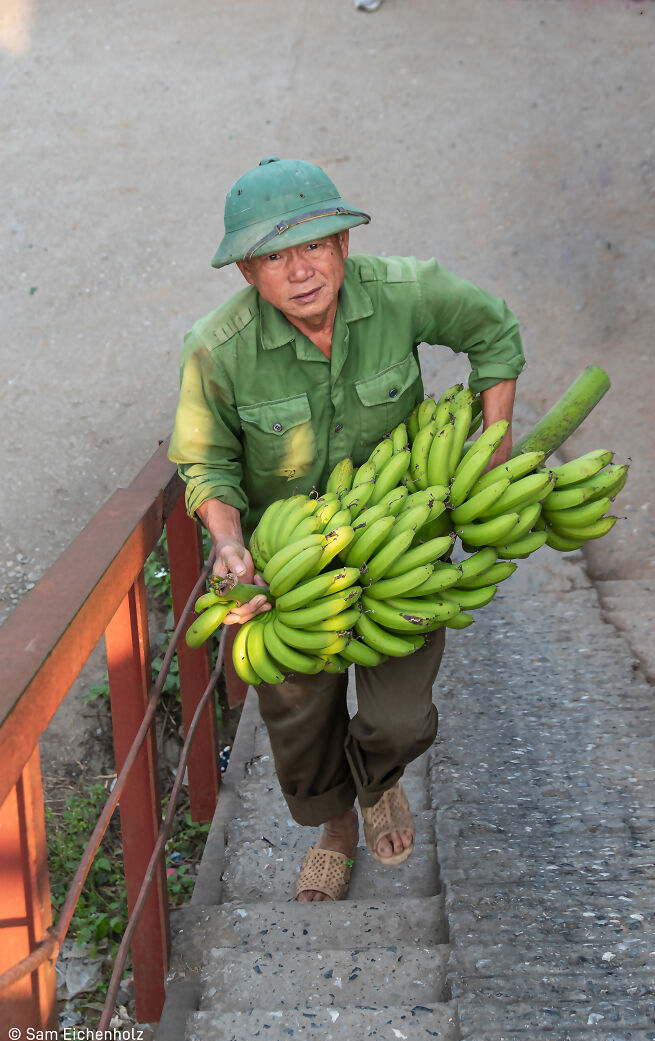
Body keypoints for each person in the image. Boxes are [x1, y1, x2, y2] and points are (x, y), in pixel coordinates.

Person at [168, 157, 524, 902]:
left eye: (315, 245)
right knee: (298, 722)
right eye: (273, 256)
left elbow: (495, 335)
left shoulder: (406, 292)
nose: (299, 271)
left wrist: (494, 445)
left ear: (344, 247)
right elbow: (205, 463)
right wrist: (229, 539)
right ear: (246, 274)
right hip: (288, 563)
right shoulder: (218, 349)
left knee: (399, 716)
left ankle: (377, 779)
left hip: (402, 547)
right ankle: (333, 826)